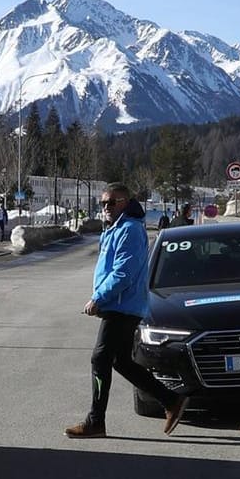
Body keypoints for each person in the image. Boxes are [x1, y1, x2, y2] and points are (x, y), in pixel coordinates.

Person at [65, 183, 189, 439]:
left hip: (122, 306)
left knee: (100, 359)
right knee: (119, 361)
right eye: (103, 203)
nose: (106, 208)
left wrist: (98, 298)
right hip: (120, 304)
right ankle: (170, 400)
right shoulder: (116, 228)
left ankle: (95, 421)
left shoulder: (130, 230)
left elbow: (123, 272)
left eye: (111, 202)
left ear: (125, 202)